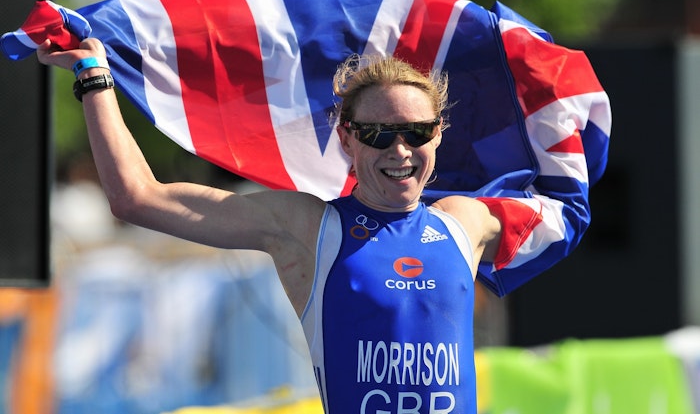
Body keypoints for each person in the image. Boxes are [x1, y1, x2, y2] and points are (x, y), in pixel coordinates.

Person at [38, 37, 502, 414]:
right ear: (347, 139)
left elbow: (547, 210)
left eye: (417, 132)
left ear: (438, 133)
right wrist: (94, 77)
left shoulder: (468, 222)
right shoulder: (308, 227)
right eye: (379, 135)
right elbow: (136, 198)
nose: (400, 150)